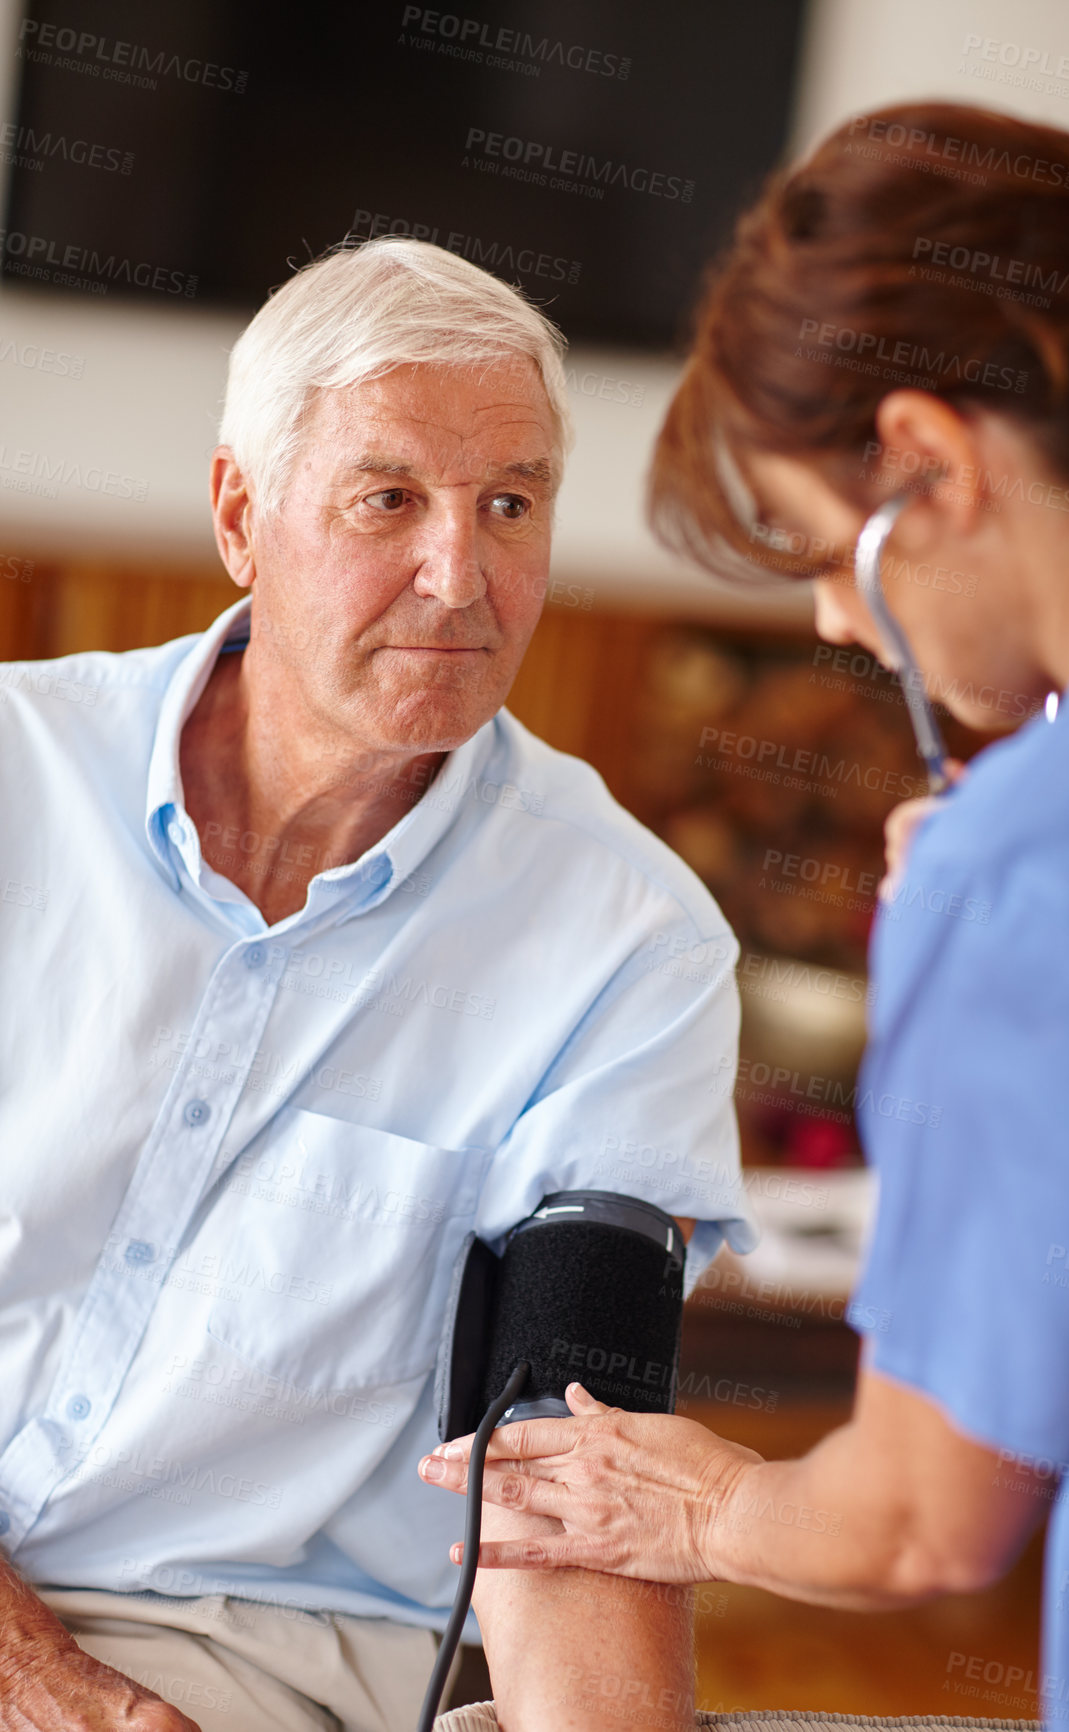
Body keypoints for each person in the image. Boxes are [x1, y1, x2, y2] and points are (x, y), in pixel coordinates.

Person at [422, 102, 1069, 1729]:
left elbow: (918, 1521)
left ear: (928, 462)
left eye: (826, 551)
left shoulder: (1033, 863)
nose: (835, 617)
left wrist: (702, 1507)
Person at [0, 236, 756, 1731]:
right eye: (388, 497)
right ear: (241, 514)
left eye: (509, 505)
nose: (457, 574)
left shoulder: (625, 942)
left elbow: (565, 1468)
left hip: (247, 1651)